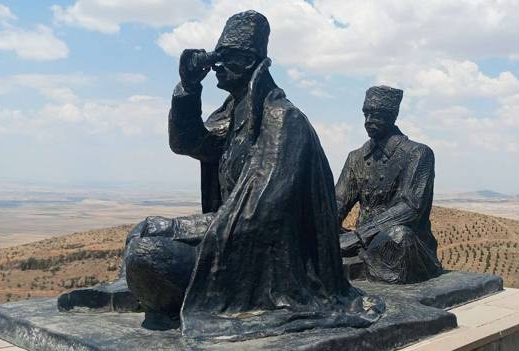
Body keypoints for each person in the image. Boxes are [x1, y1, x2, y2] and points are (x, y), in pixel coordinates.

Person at [59, 10, 383, 339]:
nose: (216, 66)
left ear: (249, 62)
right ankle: (142, 291)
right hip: (232, 244)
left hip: (265, 267)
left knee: (146, 255)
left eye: (225, 58)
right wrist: (188, 87)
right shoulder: (235, 112)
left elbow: (256, 216)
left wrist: (174, 227)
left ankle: (155, 293)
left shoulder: (282, 120)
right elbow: (189, 142)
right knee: (139, 237)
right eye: (216, 57)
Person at [336, 85, 443, 284]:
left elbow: (411, 208)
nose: (368, 121)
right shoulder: (356, 157)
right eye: (366, 114)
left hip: (402, 243)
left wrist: (360, 236)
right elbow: (339, 201)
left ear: (392, 116)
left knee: (397, 236)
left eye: (376, 115)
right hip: (361, 243)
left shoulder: (417, 154)